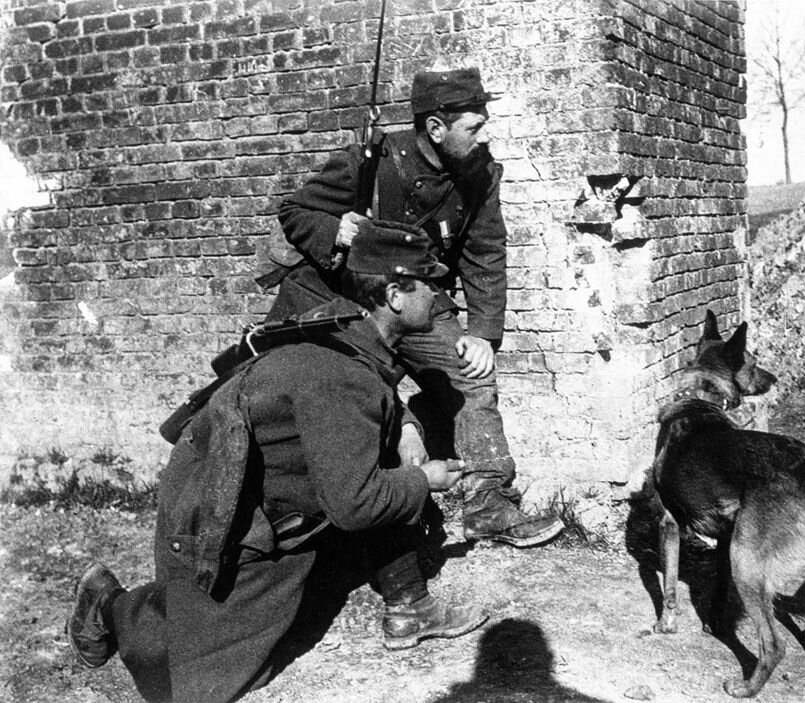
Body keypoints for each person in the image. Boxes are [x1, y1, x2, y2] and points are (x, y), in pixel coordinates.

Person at [66, 221, 488, 703]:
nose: (439, 295)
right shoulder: (338, 375)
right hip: (212, 515)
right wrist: (423, 479)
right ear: (393, 295)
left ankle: (402, 604)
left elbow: (369, 390)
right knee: (204, 687)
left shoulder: (338, 323)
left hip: (244, 494)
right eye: (429, 285)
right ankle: (109, 603)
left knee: (291, 611)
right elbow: (355, 504)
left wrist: (406, 425)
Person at [263, 66, 563, 548]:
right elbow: (296, 210)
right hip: (346, 297)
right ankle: (362, 511)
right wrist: (333, 232)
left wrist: (483, 333)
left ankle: (487, 501)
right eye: (474, 126)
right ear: (436, 128)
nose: (484, 135)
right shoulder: (369, 161)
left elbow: (484, 252)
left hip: (418, 298)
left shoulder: (479, 174)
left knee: (470, 372)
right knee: (339, 392)